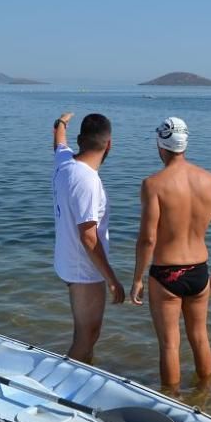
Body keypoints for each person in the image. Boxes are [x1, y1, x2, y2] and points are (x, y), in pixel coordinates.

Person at [130, 117, 211, 392]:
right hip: (199, 271)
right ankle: (206, 397)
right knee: (200, 337)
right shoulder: (209, 180)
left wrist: (138, 278)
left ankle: (172, 402)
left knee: (170, 344)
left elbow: (148, 239)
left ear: (160, 144)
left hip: (166, 275)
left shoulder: (154, 185)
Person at [51, 112, 125, 364]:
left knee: (84, 334)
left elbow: (59, 143)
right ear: (109, 144)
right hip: (84, 270)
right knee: (87, 336)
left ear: (80, 140)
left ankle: (83, 377)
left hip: (68, 262)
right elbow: (89, 237)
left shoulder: (64, 163)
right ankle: (59, 388)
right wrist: (112, 279)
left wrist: (60, 124)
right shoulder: (88, 181)